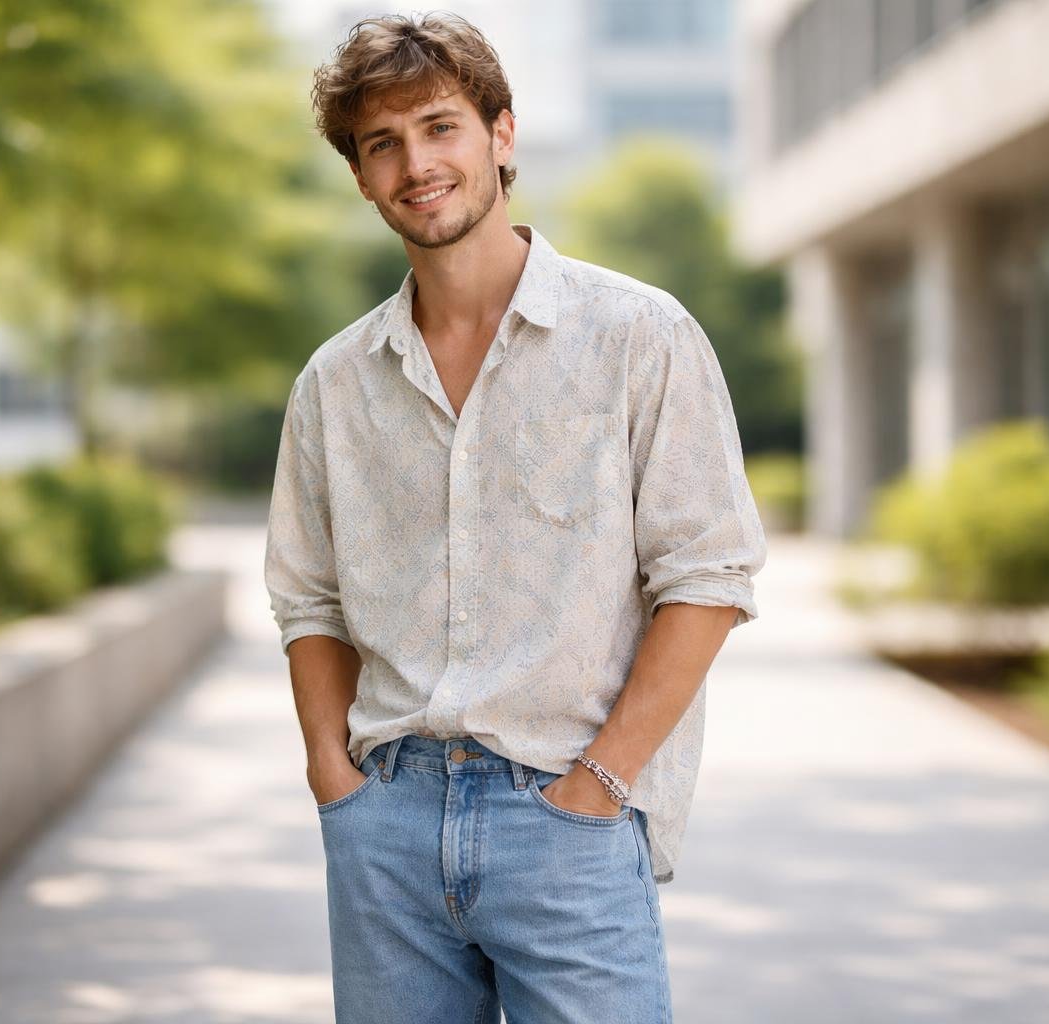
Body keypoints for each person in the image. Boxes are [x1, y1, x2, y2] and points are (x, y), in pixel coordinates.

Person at [263, 12, 767, 1023]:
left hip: (566, 815)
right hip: (388, 823)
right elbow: (309, 599)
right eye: (382, 143)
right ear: (361, 176)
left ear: (501, 134)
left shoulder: (639, 335)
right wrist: (336, 781)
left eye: (440, 127)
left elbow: (708, 580)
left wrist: (599, 785)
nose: (417, 163)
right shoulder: (334, 383)